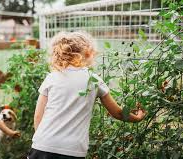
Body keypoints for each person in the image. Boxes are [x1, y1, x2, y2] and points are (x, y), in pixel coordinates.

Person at [28, 31, 147, 159]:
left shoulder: (52, 77)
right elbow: (117, 113)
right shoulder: (93, 80)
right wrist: (137, 118)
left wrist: (42, 141)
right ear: (88, 52)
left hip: (41, 145)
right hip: (72, 150)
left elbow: (38, 116)